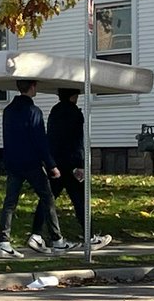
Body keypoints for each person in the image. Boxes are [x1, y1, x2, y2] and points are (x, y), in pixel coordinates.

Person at [0, 80, 78, 257]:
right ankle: (57, 239)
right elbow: (40, 141)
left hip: (13, 162)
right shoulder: (34, 111)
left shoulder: (8, 111)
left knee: (10, 202)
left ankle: (4, 241)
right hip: (31, 163)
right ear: (32, 87)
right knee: (47, 199)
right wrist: (51, 165)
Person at [29, 88, 113, 253]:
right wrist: (80, 164)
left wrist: (50, 162)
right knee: (80, 201)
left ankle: (36, 233)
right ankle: (89, 236)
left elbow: (52, 137)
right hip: (71, 164)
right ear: (73, 96)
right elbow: (76, 141)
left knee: (48, 199)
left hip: (56, 163)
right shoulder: (74, 113)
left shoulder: (55, 111)